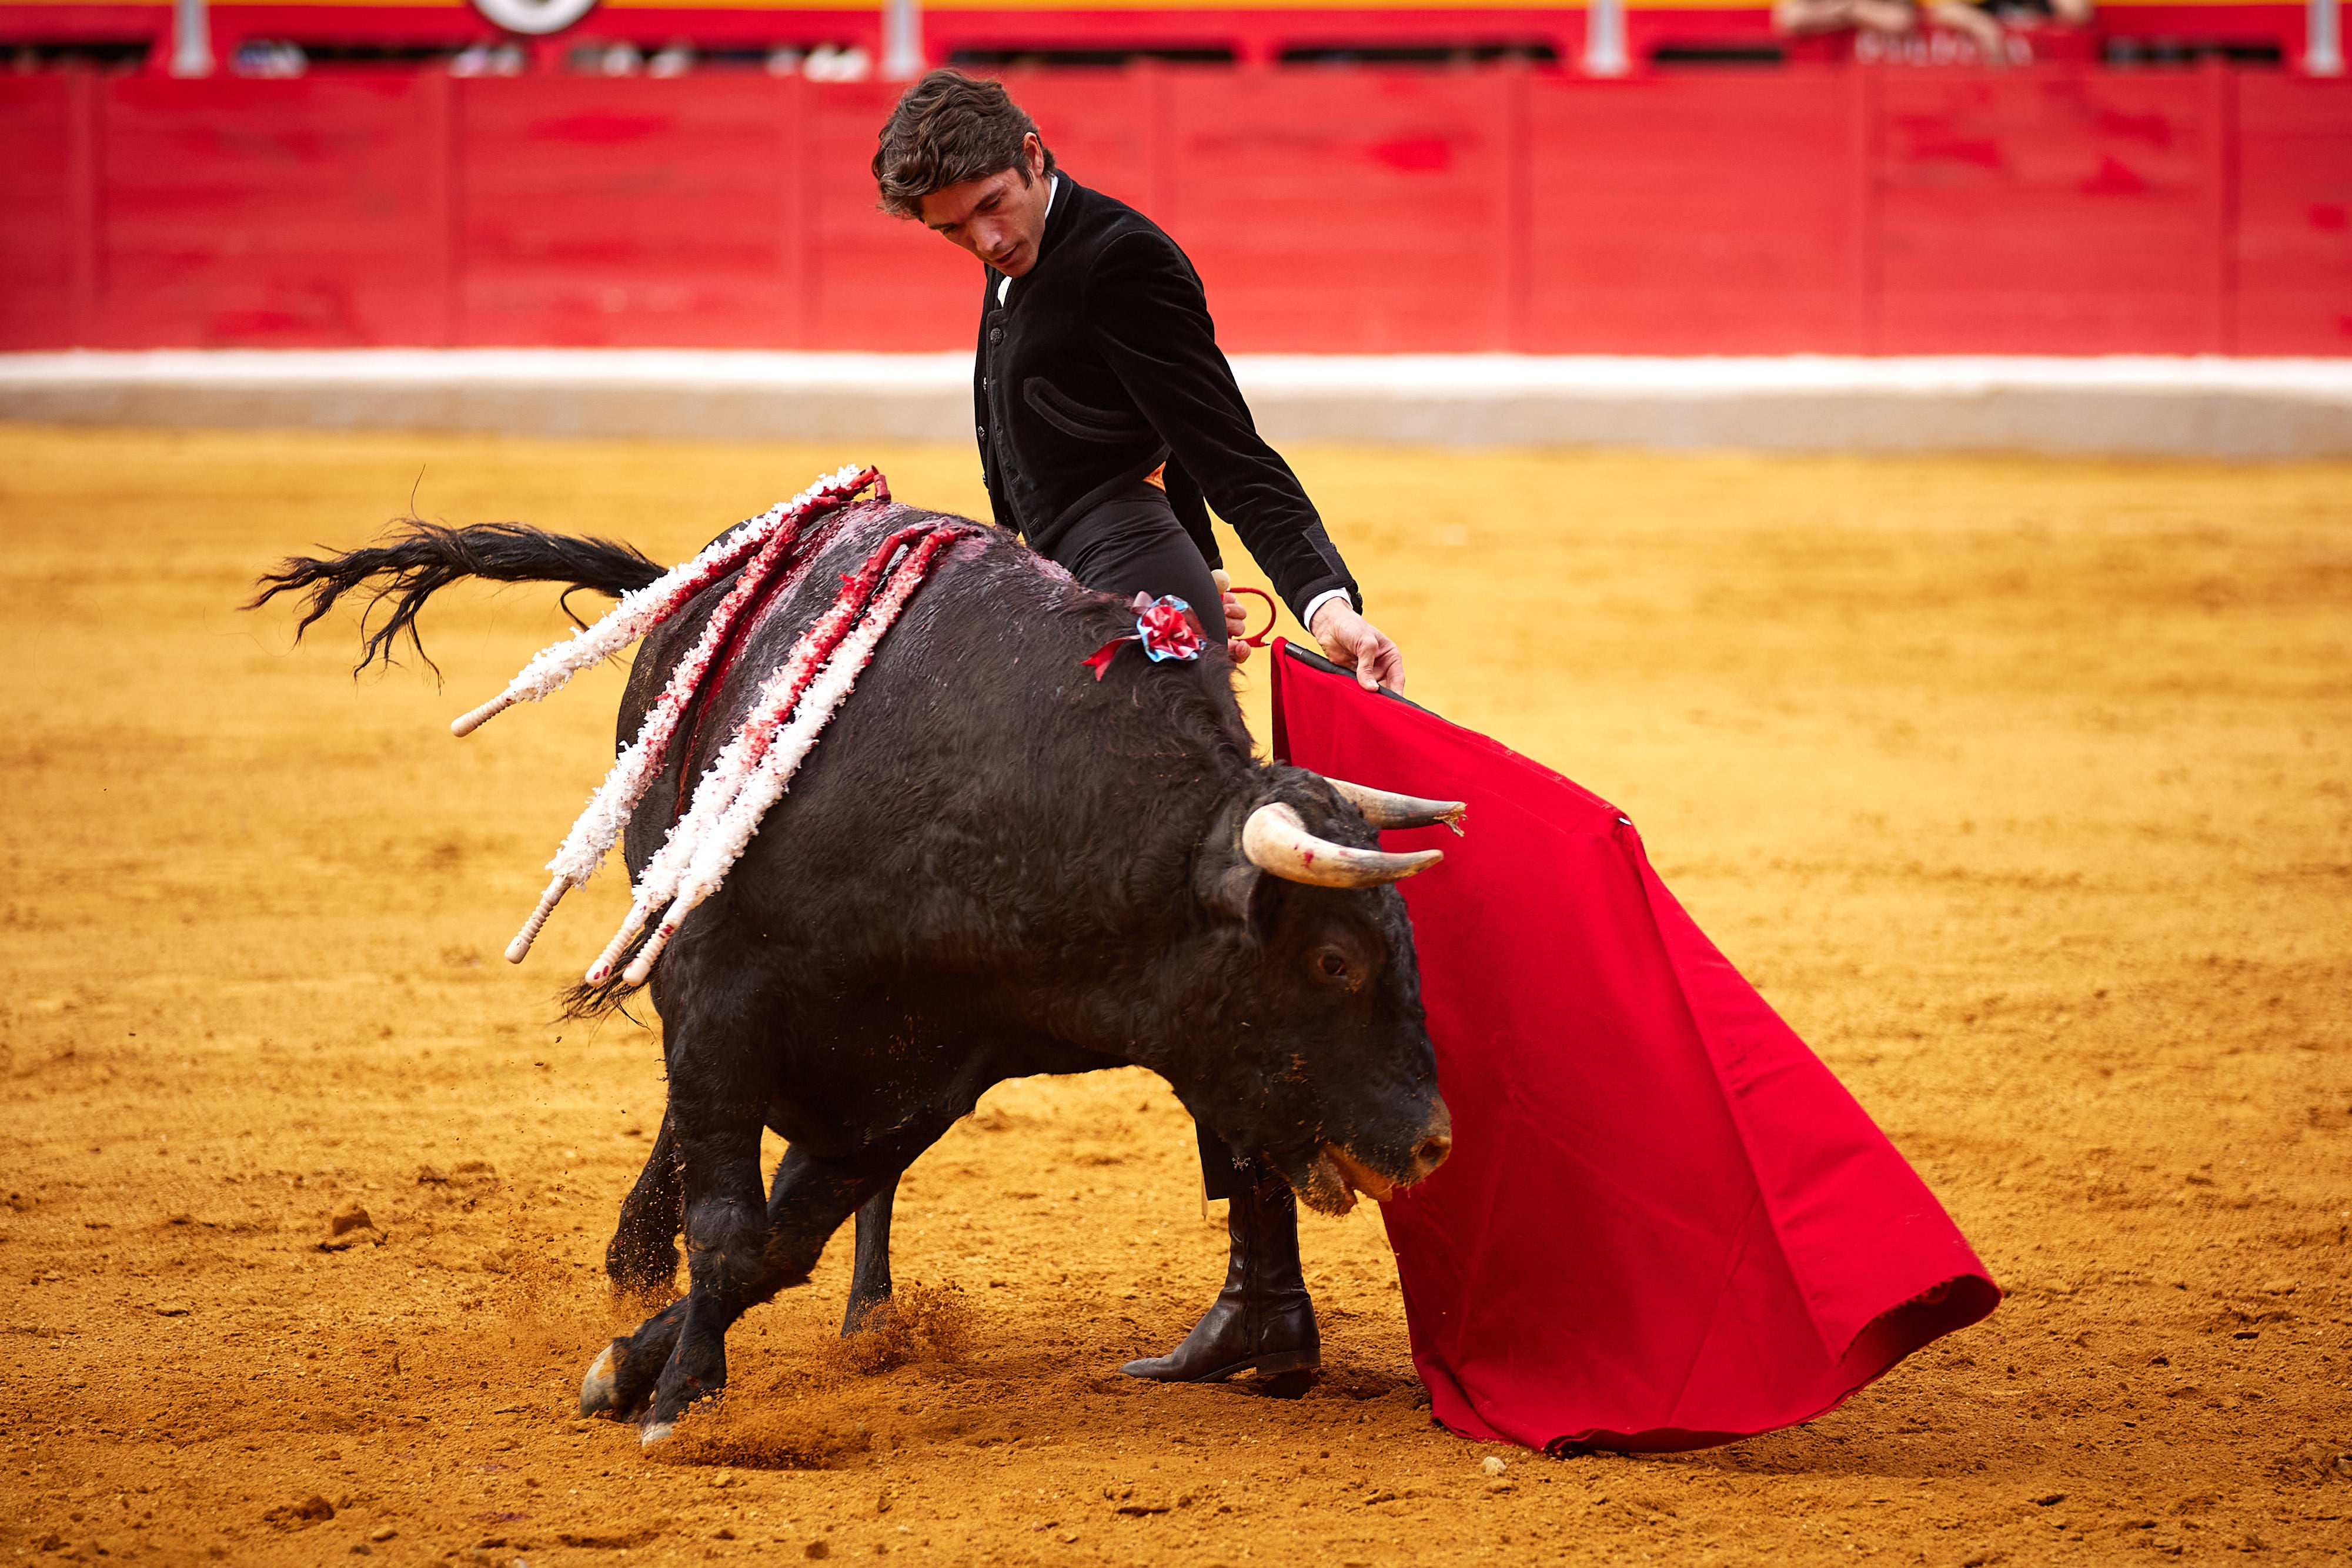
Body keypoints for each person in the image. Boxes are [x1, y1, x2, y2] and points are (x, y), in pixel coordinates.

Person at [872, 69, 1402, 1383]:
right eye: (953, 228)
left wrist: (1321, 599)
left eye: (993, 207)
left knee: (1203, 914)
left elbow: (1222, 445)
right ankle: (1266, 1299)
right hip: (1078, 591)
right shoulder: (1011, 262)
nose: (984, 240)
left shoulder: (1124, 260)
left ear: (1035, 156)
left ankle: (1271, 1291)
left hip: (1128, 593)